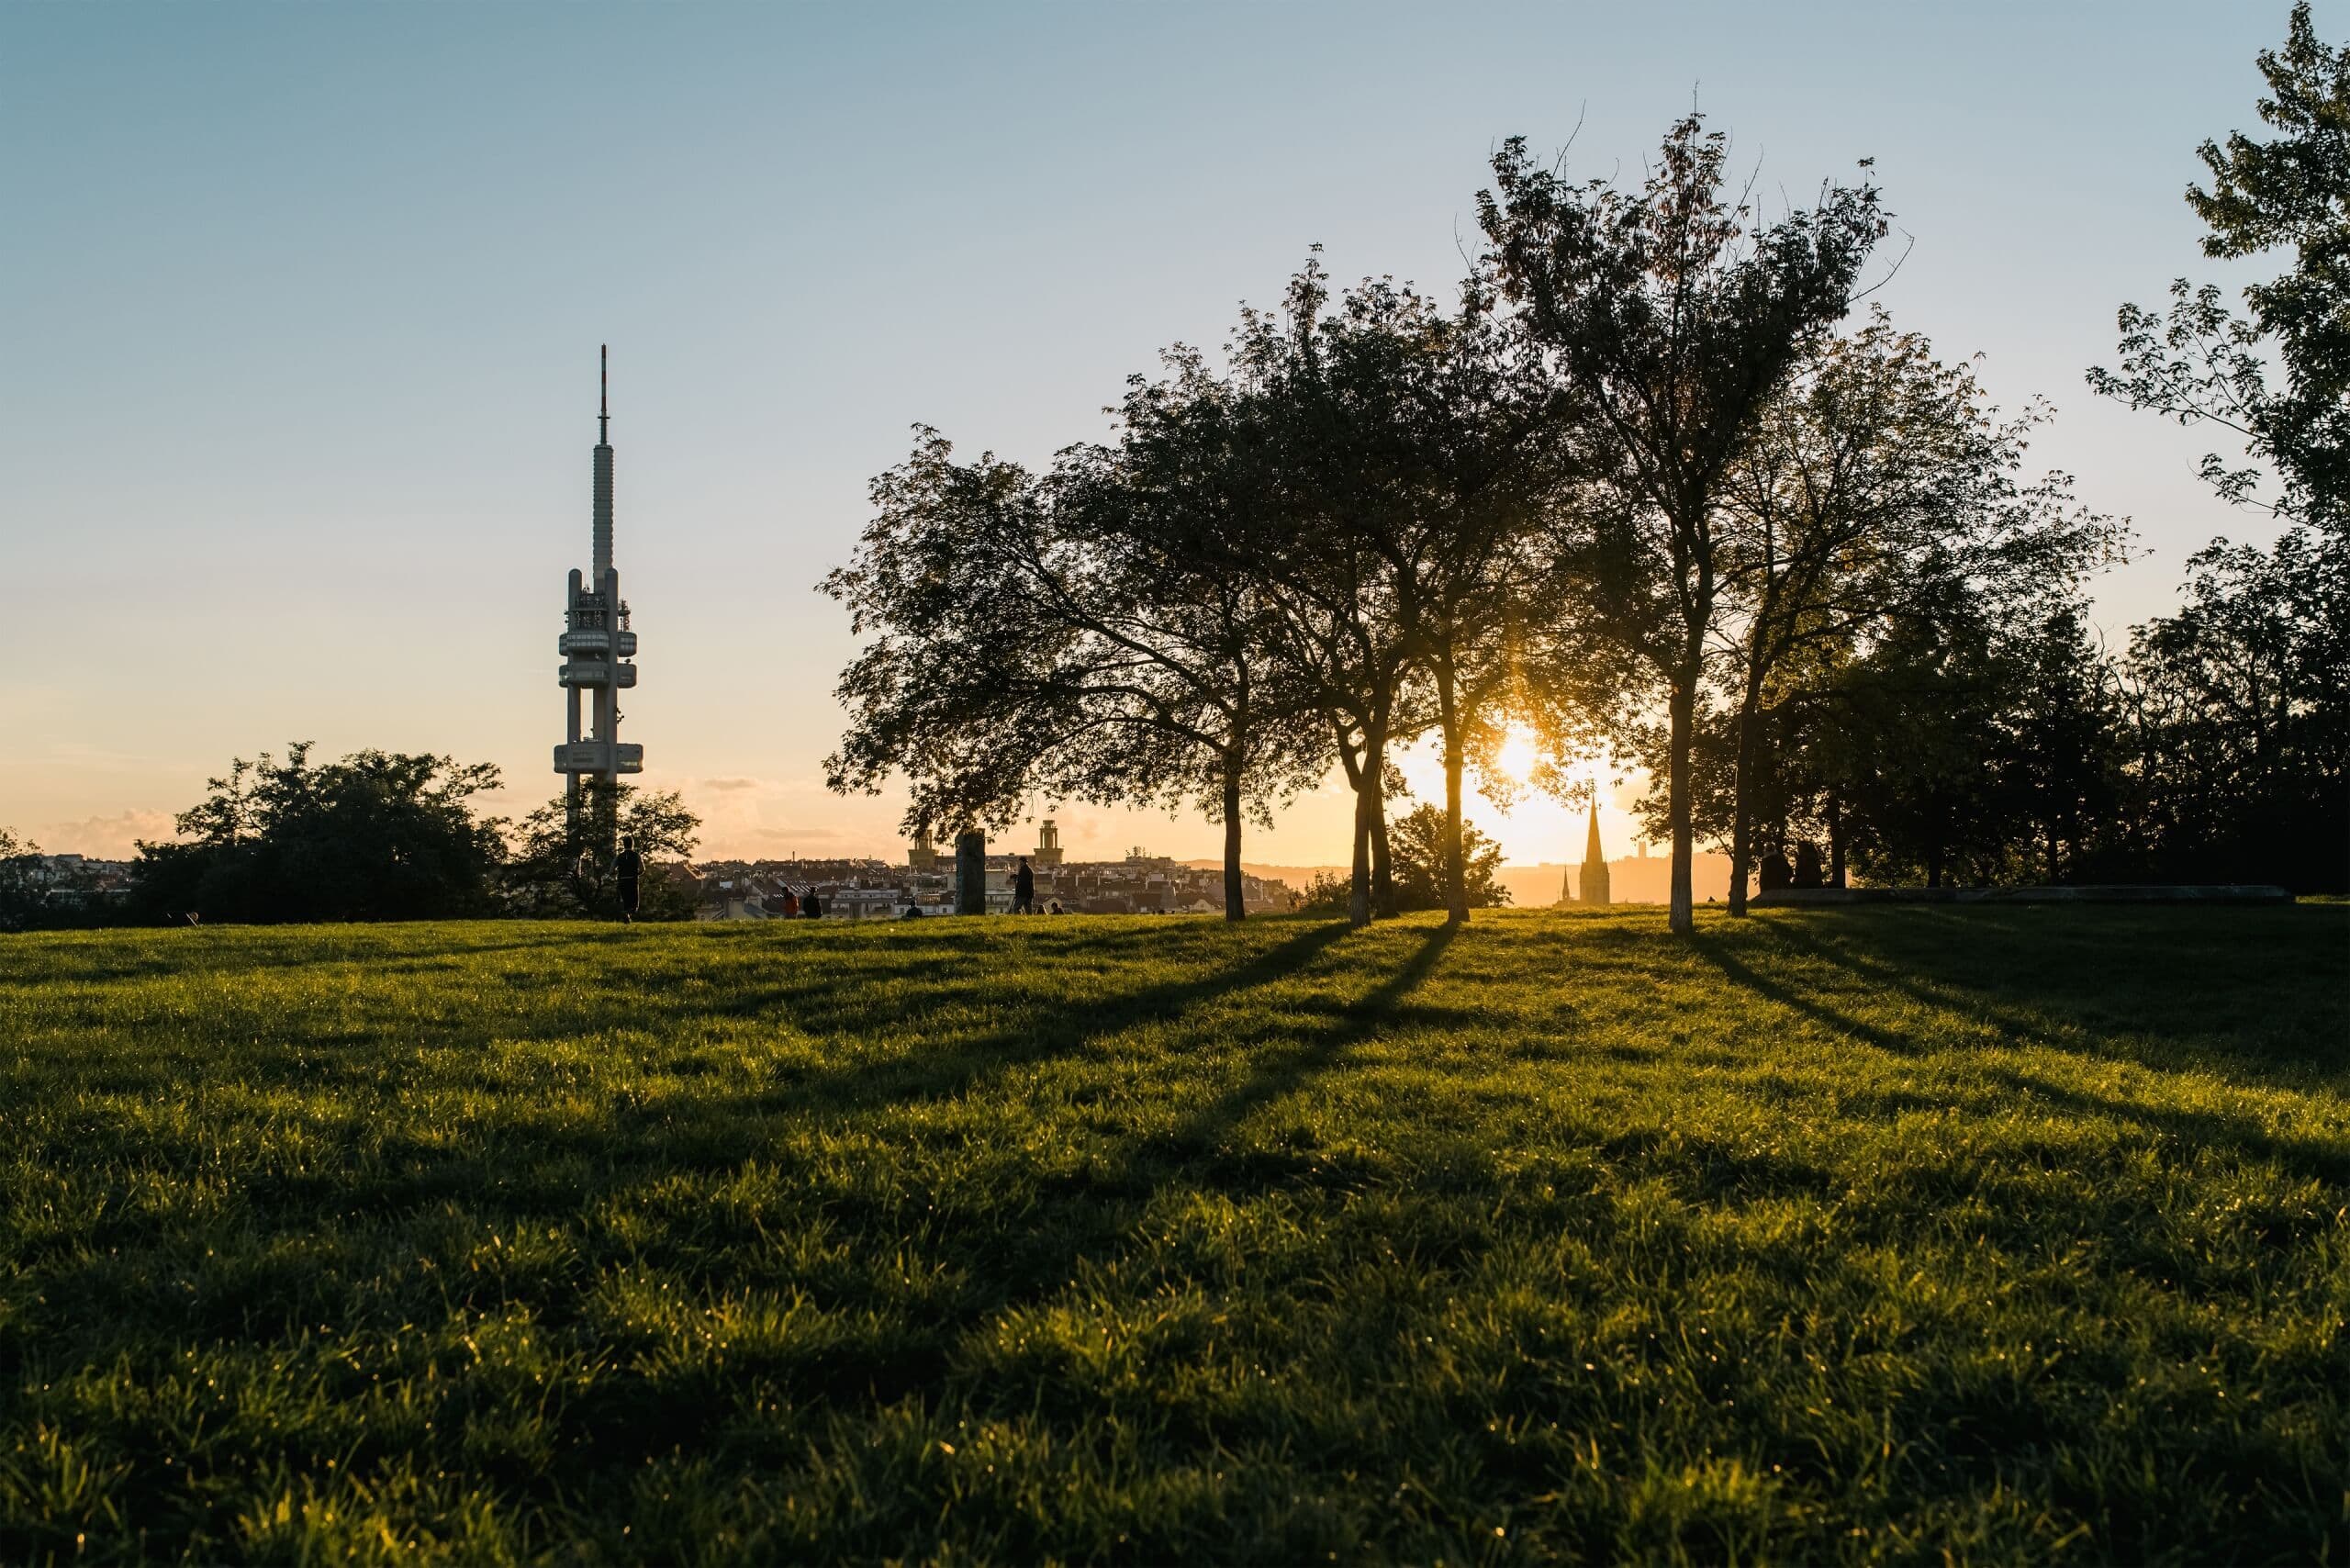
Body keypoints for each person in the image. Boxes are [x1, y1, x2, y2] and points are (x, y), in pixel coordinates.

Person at [614, 834, 643, 924]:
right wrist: (636, 873)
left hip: (622, 881)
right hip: (633, 881)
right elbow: (642, 869)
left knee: (626, 903)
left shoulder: (619, 856)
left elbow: (611, 870)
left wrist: (618, 873)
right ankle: (626, 915)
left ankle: (626, 917)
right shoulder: (636, 855)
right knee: (634, 906)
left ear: (623, 845)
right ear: (632, 844)